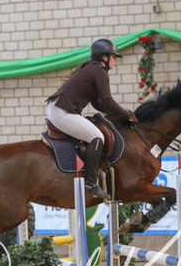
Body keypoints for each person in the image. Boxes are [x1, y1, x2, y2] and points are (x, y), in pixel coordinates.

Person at [46, 38, 137, 200]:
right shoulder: (99, 71)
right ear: (104, 57)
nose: (115, 60)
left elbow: (97, 103)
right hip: (62, 112)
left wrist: (119, 114)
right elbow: (107, 100)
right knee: (97, 137)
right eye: (114, 57)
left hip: (60, 108)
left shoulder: (92, 68)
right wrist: (125, 114)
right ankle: (91, 183)